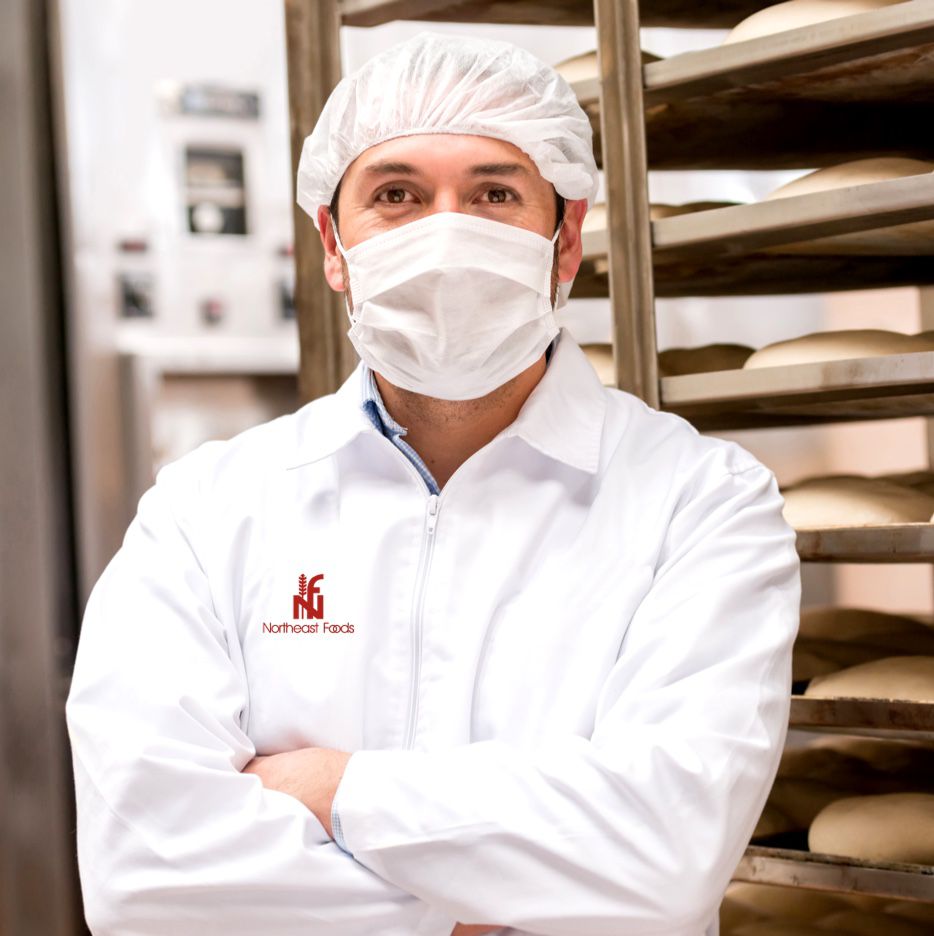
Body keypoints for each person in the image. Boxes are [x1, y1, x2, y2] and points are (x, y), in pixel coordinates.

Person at [65, 31, 801, 936]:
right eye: (397, 195)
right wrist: (467, 915)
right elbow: (144, 877)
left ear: (565, 240)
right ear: (334, 245)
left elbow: (662, 856)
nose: (447, 233)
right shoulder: (205, 512)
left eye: (494, 193)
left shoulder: (702, 503)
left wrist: (334, 786)